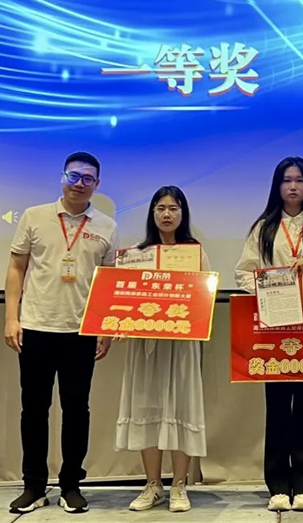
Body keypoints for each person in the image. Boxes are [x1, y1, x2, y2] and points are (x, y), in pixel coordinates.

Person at [4, 151, 118, 514]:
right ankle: (34, 485)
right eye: (74, 176)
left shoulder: (106, 226)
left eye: (88, 178)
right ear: (62, 177)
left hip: (80, 332)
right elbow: (16, 267)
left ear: (97, 184)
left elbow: (108, 282)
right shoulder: (34, 216)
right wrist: (11, 318)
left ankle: (71, 485)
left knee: (77, 410)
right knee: (34, 410)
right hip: (36, 326)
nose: (79, 183)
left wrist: (106, 327)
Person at [234, 156, 303, 513]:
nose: (293, 186)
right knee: (278, 409)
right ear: (278, 186)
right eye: (286, 180)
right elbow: (243, 273)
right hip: (275, 329)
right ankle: (278, 486)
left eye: (299, 180)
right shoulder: (264, 227)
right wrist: (270, 286)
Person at [115, 186, 209, 513]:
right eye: (160, 208)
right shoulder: (136, 255)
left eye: (173, 208)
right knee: (147, 409)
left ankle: (179, 485)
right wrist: (120, 322)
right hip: (146, 345)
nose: (167, 214)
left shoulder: (194, 252)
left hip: (181, 345)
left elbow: (204, 299)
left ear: (183, 213)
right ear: (152, 213)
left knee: (181, 408)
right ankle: (153, 485)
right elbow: (121, 300)